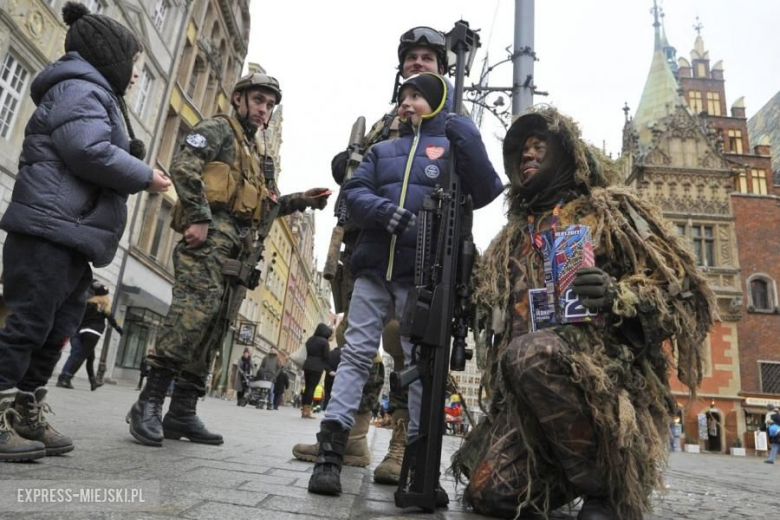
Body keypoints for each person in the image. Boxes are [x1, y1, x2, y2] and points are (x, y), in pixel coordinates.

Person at [449, 107, 718, 519]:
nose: (528, 154)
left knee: (530, 353)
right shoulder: (509, 240)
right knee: (488, 494)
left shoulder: (609, 212)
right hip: (528, 398)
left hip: (597, 380)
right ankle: (562, 468)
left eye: (540, 146)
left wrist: (620, 296)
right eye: (521, 150)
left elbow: (686, 294)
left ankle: (609, 490)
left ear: (567, 154)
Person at [307, 71, 503, 496]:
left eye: (416, 96)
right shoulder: (382, 151)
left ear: (436, 101)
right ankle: (329, 455)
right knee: (356, 355)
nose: (407, 102)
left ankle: (416, 466)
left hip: (421, 277)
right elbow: (351, 195)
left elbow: (487, 190)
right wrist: (382, 212)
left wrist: (465, 132)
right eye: (404, 96)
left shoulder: (452, 147)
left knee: (417, 365)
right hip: (374, 268)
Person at [0, 2, 170, 463]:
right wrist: (143, 173)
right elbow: (86, 150)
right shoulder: (79, 87)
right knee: (22, 325)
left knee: (55, 330)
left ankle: (24, 412)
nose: (136, 75)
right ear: (109, 54)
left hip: (72, 234)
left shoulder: (98, 95)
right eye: (134, 64)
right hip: (47, 228)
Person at [127, 69, 331, 448]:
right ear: (239, 98)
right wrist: (200, 218)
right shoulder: (219, 129)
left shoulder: (257, 155)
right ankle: (148, 404)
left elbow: (268, 205)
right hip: (209, 240)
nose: (263, 110)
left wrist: (303, 199)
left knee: (214, 329)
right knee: (193, 316)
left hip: (237, 251)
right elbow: (184, 166)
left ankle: (182, 411)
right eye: (258, 101)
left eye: (269, 105)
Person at [294, 25, 451, 485]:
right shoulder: (386, 123)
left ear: (442, 70)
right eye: (411, 58)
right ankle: (354, 439)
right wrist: (346, 164)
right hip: (367, 249)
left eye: (427, 58)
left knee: (407, 347)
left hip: (416, 258)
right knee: (354, 348)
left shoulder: (447, 127)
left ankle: (402, 445)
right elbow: (355, 180)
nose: (418, 63)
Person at [56, 281, 123, 391]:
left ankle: (93, 382)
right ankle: (66, 379)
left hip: (83, 331)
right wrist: (118, 329)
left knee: (90, 357)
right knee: (82, 356)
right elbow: (111, 319)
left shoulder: (88, 302)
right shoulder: (103, 305)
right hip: (94, 333)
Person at [301, 324, 333, 419]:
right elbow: (326, 356)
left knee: (307, 388)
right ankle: (307, 412)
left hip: (307, 365)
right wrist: (328, 369)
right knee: (312, 388)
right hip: (317, 367)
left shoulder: (310, 339)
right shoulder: (324, 342)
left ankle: (303, 410)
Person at [322, 343, 342, 411]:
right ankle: (333, 409)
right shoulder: (343, 355)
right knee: (336, 394)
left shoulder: (329, 353)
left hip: (328, 376)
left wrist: (329, 371)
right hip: (338, 377)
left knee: (327, 393)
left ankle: (325, 408)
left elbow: (324, 363)